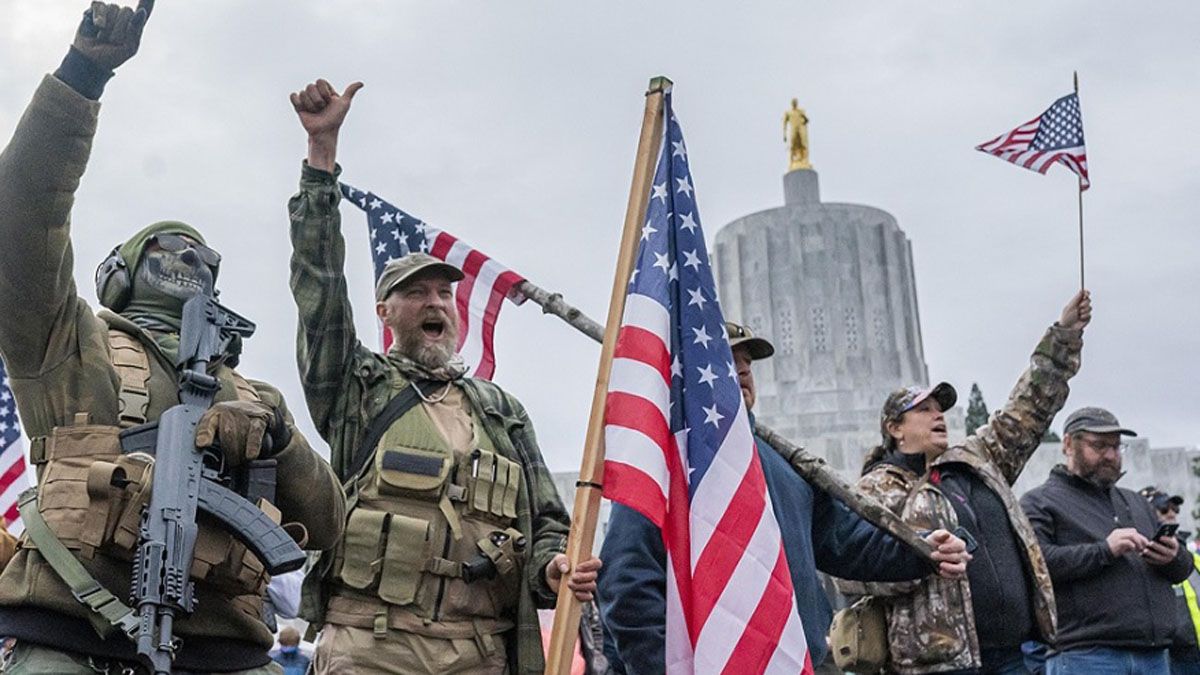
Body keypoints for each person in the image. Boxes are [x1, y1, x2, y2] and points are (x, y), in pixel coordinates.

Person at [0, 3, 346, 672]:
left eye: (197, 253)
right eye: (165, 247)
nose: (184, 256)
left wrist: (279, 438)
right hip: (75, 634)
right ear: (120, 275)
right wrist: (79, 80)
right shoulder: (73, 346)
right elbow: (21, 220)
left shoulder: (254, 395)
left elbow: (327, 523)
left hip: (226, 651)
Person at [287, 78, 599, 674]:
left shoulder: (500, 410)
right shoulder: (357, 387)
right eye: (417, 292)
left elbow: (549, 524)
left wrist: (556, 566)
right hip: (372, 647)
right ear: (386, 313)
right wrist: (321, 158)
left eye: (444, 293)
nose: (436, 302)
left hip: (479, 651)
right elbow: (319, 290)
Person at [597, 321, 971, 673]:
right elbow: (627, 583)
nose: (743, 370)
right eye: (729, 359)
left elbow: (847, 542)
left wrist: (924, 550)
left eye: (748, 362)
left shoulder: (785, 466)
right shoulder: (665, 466)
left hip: (804, 661)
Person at [848, 290, 1091, 674]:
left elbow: (1028, 408)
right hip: (941, 665)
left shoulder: (974, 461)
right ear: (894, 429)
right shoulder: (877, 489)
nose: (937, 415)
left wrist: (1064, 336)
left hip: (1017, 654)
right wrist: (919, 559)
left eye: (939, 408)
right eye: (923, 410)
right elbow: (851, 571)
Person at [1021, 409, 1193, 675]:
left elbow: (1182, 570)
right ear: (1068, 444)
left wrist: (1174, 557)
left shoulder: (1136, 503)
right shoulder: (1040, 502)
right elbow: (1037, 567)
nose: (1111, 456)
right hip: (1086, 655)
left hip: (1154, 655)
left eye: (1116, 446)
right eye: (1099, 446)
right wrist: (1105, 550)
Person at [1141, 487, 1200, 675]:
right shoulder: (1142, 557)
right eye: (1164, 509)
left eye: (1175, 509)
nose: (1172, 514)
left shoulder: (1189, 554)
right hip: (1172, 655)